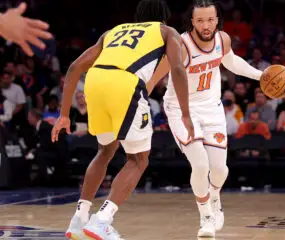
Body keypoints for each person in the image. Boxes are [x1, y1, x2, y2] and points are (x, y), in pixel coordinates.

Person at [51, 0, 194, 239]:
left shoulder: (113, 31)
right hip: (125, 83)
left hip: (95, 81)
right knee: (139, 159)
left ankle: (79, 218)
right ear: (164, 18)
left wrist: (64, 114)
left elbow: (75, 67)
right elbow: (178, 69)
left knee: (105, 151)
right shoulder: (166, 31)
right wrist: (186, 113)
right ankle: (102, 220)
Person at [148, 0, 268, 237]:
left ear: (217, 20)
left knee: (220, 170)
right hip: (181, 108)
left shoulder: (223, 40)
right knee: (200, 165)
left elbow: (231, 61)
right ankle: (205, 216)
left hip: (212, 108)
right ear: (192, 21)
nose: (206, 25)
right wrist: (138, 97)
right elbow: (154, 78)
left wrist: (261, 75)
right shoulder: (180, 45)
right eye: (200, 20)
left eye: (210, 19)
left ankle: (214, 197)